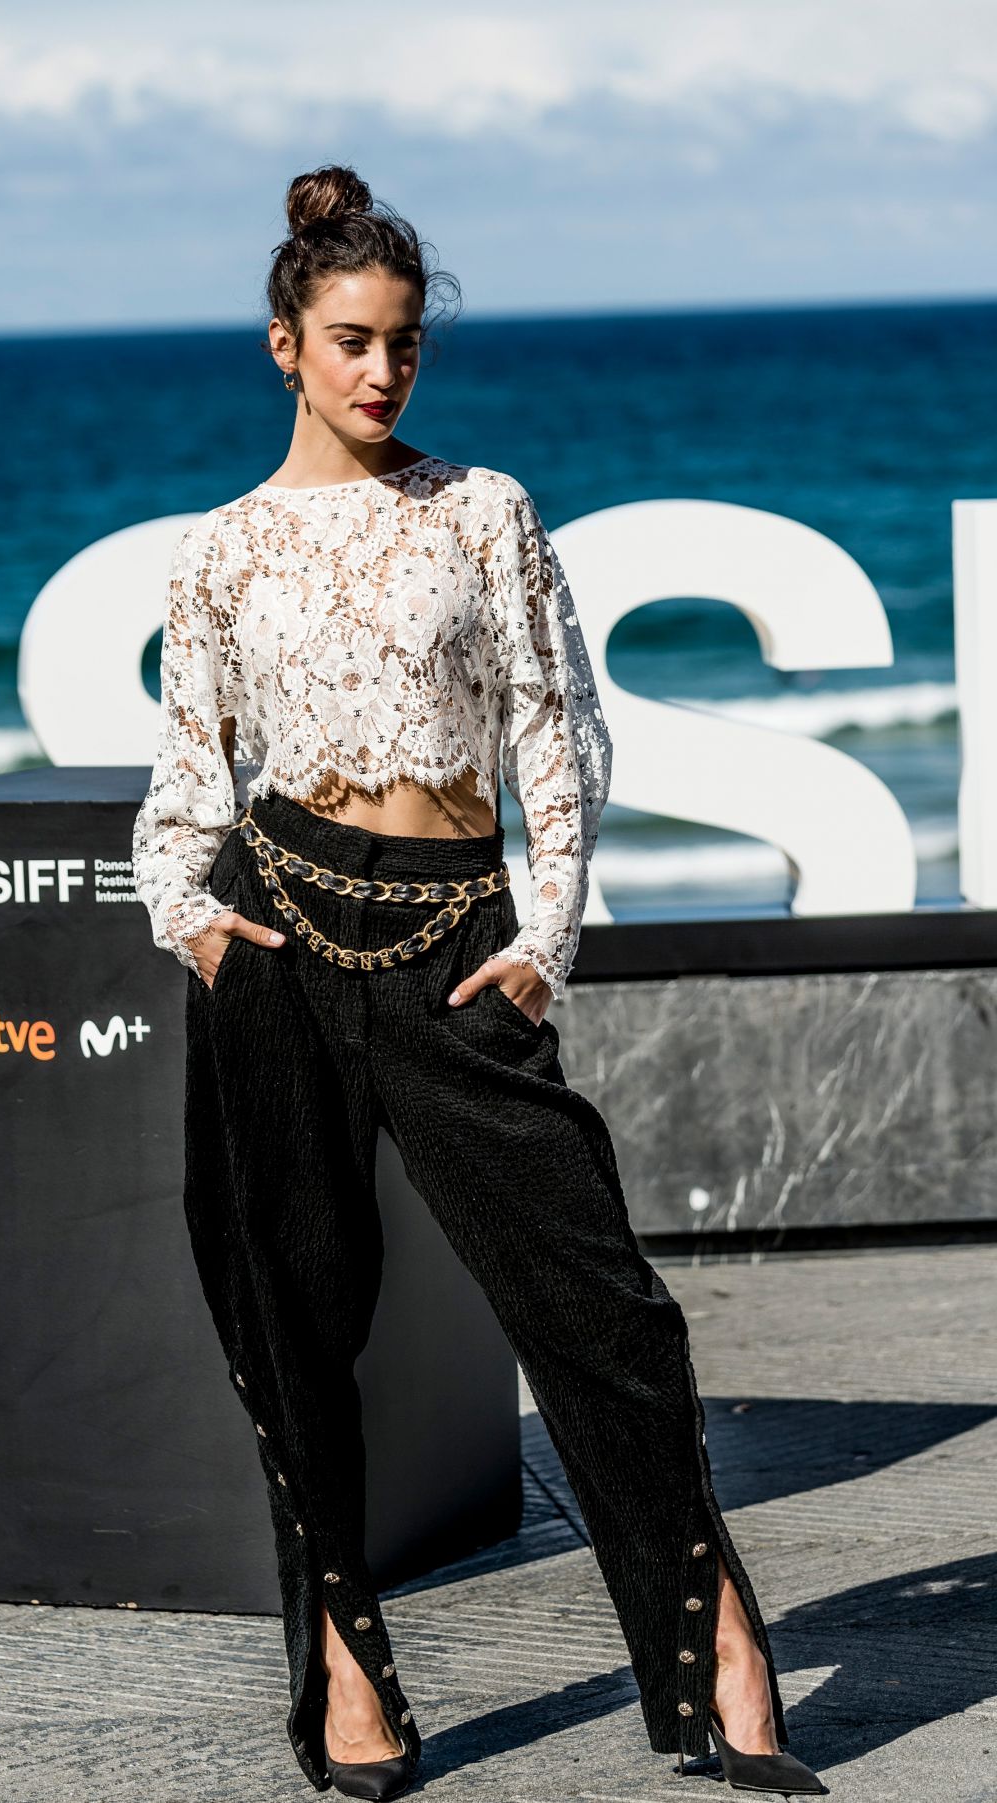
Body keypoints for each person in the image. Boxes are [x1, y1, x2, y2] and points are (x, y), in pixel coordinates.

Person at [132, 163, 827, 1802]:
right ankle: (344, 1660)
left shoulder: (484, 510)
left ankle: (710, 1625)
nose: (384, 373)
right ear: (284, 348)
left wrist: (545, 930)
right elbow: (185, 773)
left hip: (455, 939)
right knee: (290, 1314)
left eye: (407, 345)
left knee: (600, 1309)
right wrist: (193, 917)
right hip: (278, 932)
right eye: (353, 341)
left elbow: (554, 728)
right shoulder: (218, 553)